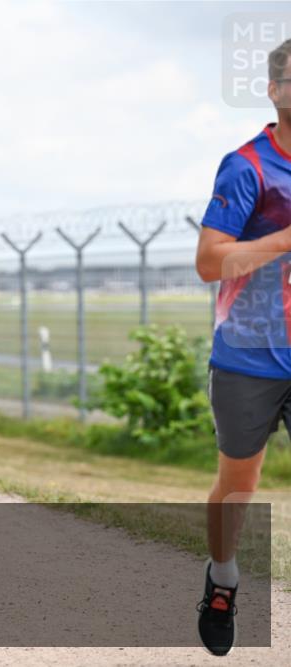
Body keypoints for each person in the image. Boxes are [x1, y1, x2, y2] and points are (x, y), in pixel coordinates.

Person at [193, 39, 291, 656]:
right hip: (249, 357)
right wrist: (284, 239)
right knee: (238, 485)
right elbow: (209, 261)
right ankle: (223, 579)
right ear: (274, 91)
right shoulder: (248, 166)